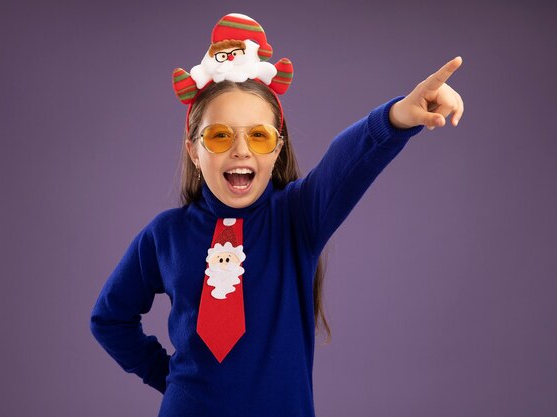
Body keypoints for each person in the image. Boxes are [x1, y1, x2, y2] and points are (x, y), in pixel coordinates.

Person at [90, 12, 464, 417]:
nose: (241, 150)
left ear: (277, 149)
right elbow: (110, 318)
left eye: (258, 135)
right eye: (220, 135)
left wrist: (395, 119)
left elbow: (345, 161)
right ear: (194, 151)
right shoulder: (164, 235)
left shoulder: (298, 217)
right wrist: (170, 379)